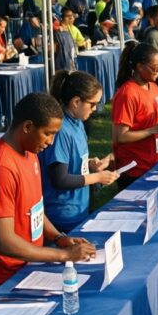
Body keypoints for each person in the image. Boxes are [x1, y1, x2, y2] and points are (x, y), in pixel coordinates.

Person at [0, 93, 97, 303]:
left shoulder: (30, 151)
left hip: (23, 267)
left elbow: (34, 208)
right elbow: (4, 242)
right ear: (27, 127)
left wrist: (58, 238)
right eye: (48, 134)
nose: (51, 142)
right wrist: (65, 256)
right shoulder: (0, 168)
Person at [39, 71, 119, 232]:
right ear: (76, 102)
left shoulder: (78, 123)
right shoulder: (61, 131)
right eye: (92, 104)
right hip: (62, 214)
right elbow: (60, 179)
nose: (95, 109)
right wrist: (97, 177)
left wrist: (90, 164)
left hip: (78, 208)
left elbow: (71, 163)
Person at [113, 42, 158, 188]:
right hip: (135, 169)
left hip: (155, 162)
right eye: (154, 67)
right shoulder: (127, 93)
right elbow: (120, 136)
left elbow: (156, 121)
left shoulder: (153, 86)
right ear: (140, 67)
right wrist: (153, 130)